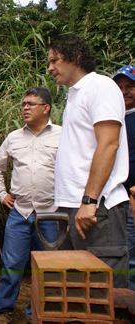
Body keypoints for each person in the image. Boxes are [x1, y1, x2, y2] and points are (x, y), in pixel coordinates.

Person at [48, 35, 130, 288]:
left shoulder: (100, 87)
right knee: (77, 291)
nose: (50, 68)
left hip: (97, 208)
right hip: (73, 207)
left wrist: (89, 200)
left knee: (106, 293)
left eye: (54, 60)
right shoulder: (73, 96)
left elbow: (108, 144)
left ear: (77, 57)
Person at [0, 87, 61, 322]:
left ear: (46, 108)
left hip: (51, 213)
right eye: (23, 104)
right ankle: (4, 310)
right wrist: (1, 193)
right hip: (20, 212)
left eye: (31, 103)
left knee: (47, 268)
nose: (25, 108)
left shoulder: (63, 135)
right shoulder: (14, 137)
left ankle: (37, 313)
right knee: (12, 265)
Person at [113, 65, 135, 291]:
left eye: (130, 87)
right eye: (119, 87)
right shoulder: (112, 118)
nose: (124, 91)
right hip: (115, 198)